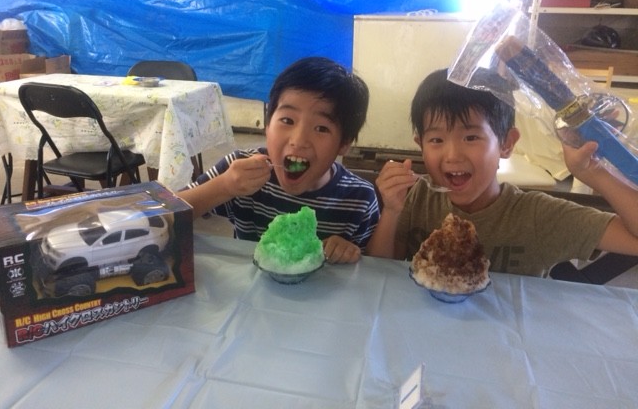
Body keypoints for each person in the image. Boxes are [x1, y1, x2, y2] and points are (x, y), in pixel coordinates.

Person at [366, 68, 638, 277]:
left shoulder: (537, 216)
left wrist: (594, 173)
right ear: (420, 146)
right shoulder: (418, 198)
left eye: (471, 137)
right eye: (436, 140)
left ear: (506, 143)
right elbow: (379, 272)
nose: (452, 155)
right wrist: (391, 211)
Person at [178, 56, 379, 264]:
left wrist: (349, 251)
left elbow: (377, 268)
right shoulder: (240, 168)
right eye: (287, 120)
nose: (298, 141)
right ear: (267, 125)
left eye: (321, 128)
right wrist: (224, 186)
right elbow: (167, 215)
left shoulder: (360, 199)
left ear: (344, 143)